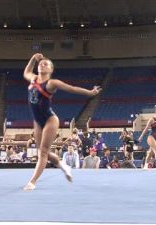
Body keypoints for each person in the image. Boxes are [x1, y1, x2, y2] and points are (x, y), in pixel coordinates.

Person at [23, 53, 101, 190]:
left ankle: (32, 181)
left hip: (49, 119)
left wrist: (90, 93)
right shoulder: (33, 78)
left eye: (46, 64)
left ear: (51, 70)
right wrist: (33, 59)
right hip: (37, 121)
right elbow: (27, 72)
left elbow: (72, 88)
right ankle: (63, 165)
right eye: (41, 63)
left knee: (43, 152)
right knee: (42, 151)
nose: (42, 64)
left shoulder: (52, 83)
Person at [138, 104, 156, 170]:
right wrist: (141, 136)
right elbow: (146, 128)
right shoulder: (152, 119)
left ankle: (145, 166)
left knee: (150, 153)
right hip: (151, 137)